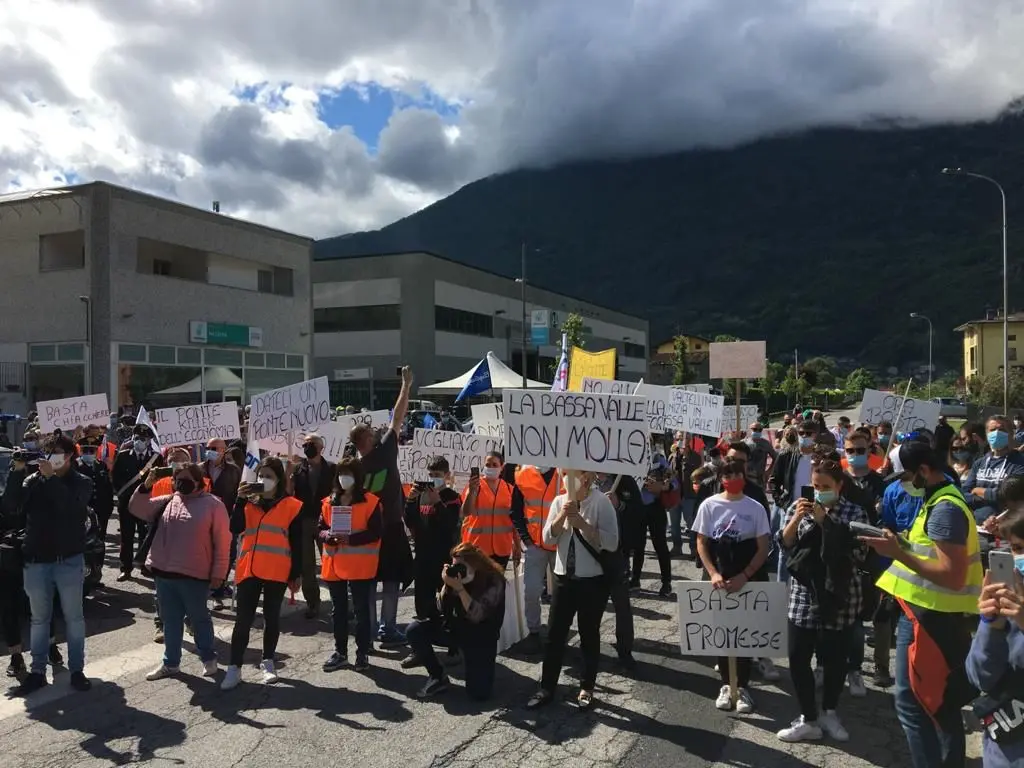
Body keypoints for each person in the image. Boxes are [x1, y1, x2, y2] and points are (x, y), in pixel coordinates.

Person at [863, 442, 983, 768]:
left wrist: (897, 553)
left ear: (924, 471)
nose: (904, 481)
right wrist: (899, 543)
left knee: (921, 704)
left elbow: (952, 574)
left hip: (932, 620)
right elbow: (928, 552)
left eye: (908, 474)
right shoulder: (937, 499)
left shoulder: (944, 508)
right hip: (925, 616)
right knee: (934, 701)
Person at [777, 457, 868, 742]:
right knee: (798, 657)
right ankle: (808, 717)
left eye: (825, 486)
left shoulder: (855, 512)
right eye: (815, 486)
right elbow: (784, 543)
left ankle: (829, 710)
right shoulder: (798, 507)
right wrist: (796, 519)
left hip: (840, 595)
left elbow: (860, 555)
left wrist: (826, 523)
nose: (819, 492)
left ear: (840, 486)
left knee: (834, 659)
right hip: (804, 595)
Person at [130, 461, 231, 682]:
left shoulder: (214, 505)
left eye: (184, 479)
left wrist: (218, 574)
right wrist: (146, 486)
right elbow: (137, 508)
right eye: (176, 479)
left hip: (195, 575)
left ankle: (208, 658)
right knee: (170, 620)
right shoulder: (169, 501)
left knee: (199, 618)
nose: (179, 483)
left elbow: (223, 543)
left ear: (199, 481)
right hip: (165, 573)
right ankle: (170, 663)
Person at [526, 470, 619, 710]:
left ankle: (587, 686)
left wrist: (583, 525)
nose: (565, 478)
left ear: (585, 478)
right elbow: (548, 538)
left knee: (589, 634)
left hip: (592, 581)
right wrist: (561, 519)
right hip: (562, 579)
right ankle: (547, 687)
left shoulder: (601, 503)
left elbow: (612, 542)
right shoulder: (559, 501)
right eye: (564, 473)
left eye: (571, 474)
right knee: (556, 634)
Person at [8, 432, 92, 696]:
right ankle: (37, 672)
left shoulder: (82, 482)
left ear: (69, 456)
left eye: (57, 453)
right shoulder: (33, 480)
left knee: (73, 618)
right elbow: (11, 507)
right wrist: (17, 472)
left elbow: (72, 508)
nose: (52, 458)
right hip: (36, 561)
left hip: (68, 560)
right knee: (39, 619)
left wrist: (51, 479)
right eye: (49, 453)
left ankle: (77, 670)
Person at [691, 457, 771, 713]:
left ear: (744, 475)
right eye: (727, 475)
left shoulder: (755, 508)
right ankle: (727, 685)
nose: (732, 479)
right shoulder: (709, 506)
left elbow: (763, 547)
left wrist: (745, 575)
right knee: (724, 635)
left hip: (747, 579)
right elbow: (702, 542)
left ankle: (743, 687)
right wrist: (712, 573)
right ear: (720, 478)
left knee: (744, 636)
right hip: (721, 579)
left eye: (737, 474)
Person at [221, 457, 303, 689]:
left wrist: (296, 573)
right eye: (260, 475)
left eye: (269, 476)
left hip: (277, 569)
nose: (263, 480)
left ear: (278, 480)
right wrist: (239, 500)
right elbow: (235, 528)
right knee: (243, 620)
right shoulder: (249, 502)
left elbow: (297, 542)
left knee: (271, 618)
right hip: (250, 569)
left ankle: (268, 662)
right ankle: (234, 668)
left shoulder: (292, 505)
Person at [349, 366, 413, 648]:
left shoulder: (352, 467)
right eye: (372, 432)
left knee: (369, 583)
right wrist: (406, 385)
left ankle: (372, 628)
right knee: (390, 581)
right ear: (367, 439)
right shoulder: (385, 449)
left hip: (365, 531)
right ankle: (388, 628)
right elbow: (397, 417)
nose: (377, 432)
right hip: (391, 528)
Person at [406, 542, 506, 699]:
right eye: (454, 565)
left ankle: (476, 667)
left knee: (479, 695)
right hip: (456, 628)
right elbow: (439, 609)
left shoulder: (493, 580)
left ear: (474, 563)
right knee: (414, 630)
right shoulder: (455, 579)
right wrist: (446, 585)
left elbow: (477, 615)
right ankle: (437, 676)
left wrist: (460, 589)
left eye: (461, 566)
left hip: (481, 636)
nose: (457, 570)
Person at [966, 507, 1024, 767]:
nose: (1020, 558)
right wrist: (992, 625)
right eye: (1016, 548)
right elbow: (980, 678)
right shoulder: (1007, 603)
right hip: (1004, 753)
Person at [320, 457, 382, 673]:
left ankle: (362, 652)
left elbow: (376, 532)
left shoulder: (370, 501)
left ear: (358, 476)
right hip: (334, 564)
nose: (344, 478)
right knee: (338, 611)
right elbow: (321, 528)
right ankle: (341, 652)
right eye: (341, 473)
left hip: (359, 565)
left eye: (349, 473)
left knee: (361, 611)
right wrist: (327, 535)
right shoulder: (329, 501)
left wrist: (351, 540)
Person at [404, 456, 461, 629]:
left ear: (446, 475)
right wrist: (411, 500)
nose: (433, 477)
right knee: (422, 599)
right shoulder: (422, 495)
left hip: (443, 555)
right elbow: (410, 521)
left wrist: (438, 502)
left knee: (446, 599)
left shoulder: (452, 497)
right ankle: (424, 636)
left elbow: (450, 523)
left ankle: (449, 636)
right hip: (422, 555)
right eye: (430, 474)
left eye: (437, 474)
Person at [510, 462, 561, 654]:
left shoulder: (565, 472)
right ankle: (534, 632)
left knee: (562, 595)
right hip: (535, 546)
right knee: (531, 591)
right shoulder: (523, 473)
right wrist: (526, 539)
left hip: (561, 546)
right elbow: (515, 510)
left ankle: (558, 633)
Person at [289, 433, 335, 619]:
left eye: (312, 444)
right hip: (304, 520)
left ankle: (338, 602)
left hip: (326, 521)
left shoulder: (332, 468)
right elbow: (289, 493)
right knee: (307, 565)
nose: (308, 446)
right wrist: (288, 473)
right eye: (305, 443)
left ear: (321, 447)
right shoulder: (298, 469)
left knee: (330, 562)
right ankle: (313, 603)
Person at [597, 472, 637, 669]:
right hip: (591, 554)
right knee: (591, 606)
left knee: (621, 604)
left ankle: (625, 650)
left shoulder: (624, 480)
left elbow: (639, 513)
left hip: (617, 554)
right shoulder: (581, 478)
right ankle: (590, 649)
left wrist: (619, 505)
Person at [112, 424, 161, 581]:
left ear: (149, 441)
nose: (139, 441)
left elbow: (160, 481)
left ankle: (144, 565)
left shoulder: (156, 458)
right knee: (126, 536)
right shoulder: (124, 455)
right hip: (127, 502)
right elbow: (115, 477)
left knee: (145, 535)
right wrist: (122, 493)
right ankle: (125, 568)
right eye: (137, 438)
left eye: (143, 439)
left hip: (147, 503)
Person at [460, 451, 518, 569]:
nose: (491, 467)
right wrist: (472, 492)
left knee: (497, 586)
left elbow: (515, 521)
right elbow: (465, 512)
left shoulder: (509, 489)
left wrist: (517, 545)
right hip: (477, 547)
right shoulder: (474, 486)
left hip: (502, 548)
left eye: (494, 465)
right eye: (488, 464)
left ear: (502, 467)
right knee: (477, 585)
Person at [632, 451, 676, 597]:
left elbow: (673, 482)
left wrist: (661, 487)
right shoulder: (629, 454)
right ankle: (635, 580)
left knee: (660, 546)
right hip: (637, 507)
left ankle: (666, 583)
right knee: (637, 546)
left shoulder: (658, 459)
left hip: (655, 507)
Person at [76, 431, 115, 540]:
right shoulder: (75, 466)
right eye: (85, 450)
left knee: (99, 540)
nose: (88, 453)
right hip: (82, 511)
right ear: (81, 451)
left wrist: (108, 509)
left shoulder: (101, 465)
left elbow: (107, 488)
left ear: (96, 451)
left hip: (100, 510)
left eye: (91, 450)